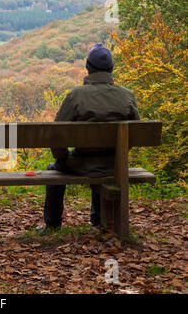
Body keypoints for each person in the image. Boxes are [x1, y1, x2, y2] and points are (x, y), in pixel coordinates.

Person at [36, 43, 140, 232]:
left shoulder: (76, 95)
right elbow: (135, 135)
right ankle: (98, 219)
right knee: (101, 163)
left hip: (81, 164)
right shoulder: (127, 96)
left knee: (54, 171)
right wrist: (116, 157)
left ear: (88, 68)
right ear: (111, 69)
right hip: (114, 164)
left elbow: (55, 134)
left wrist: (63, 158)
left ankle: (52, 224)